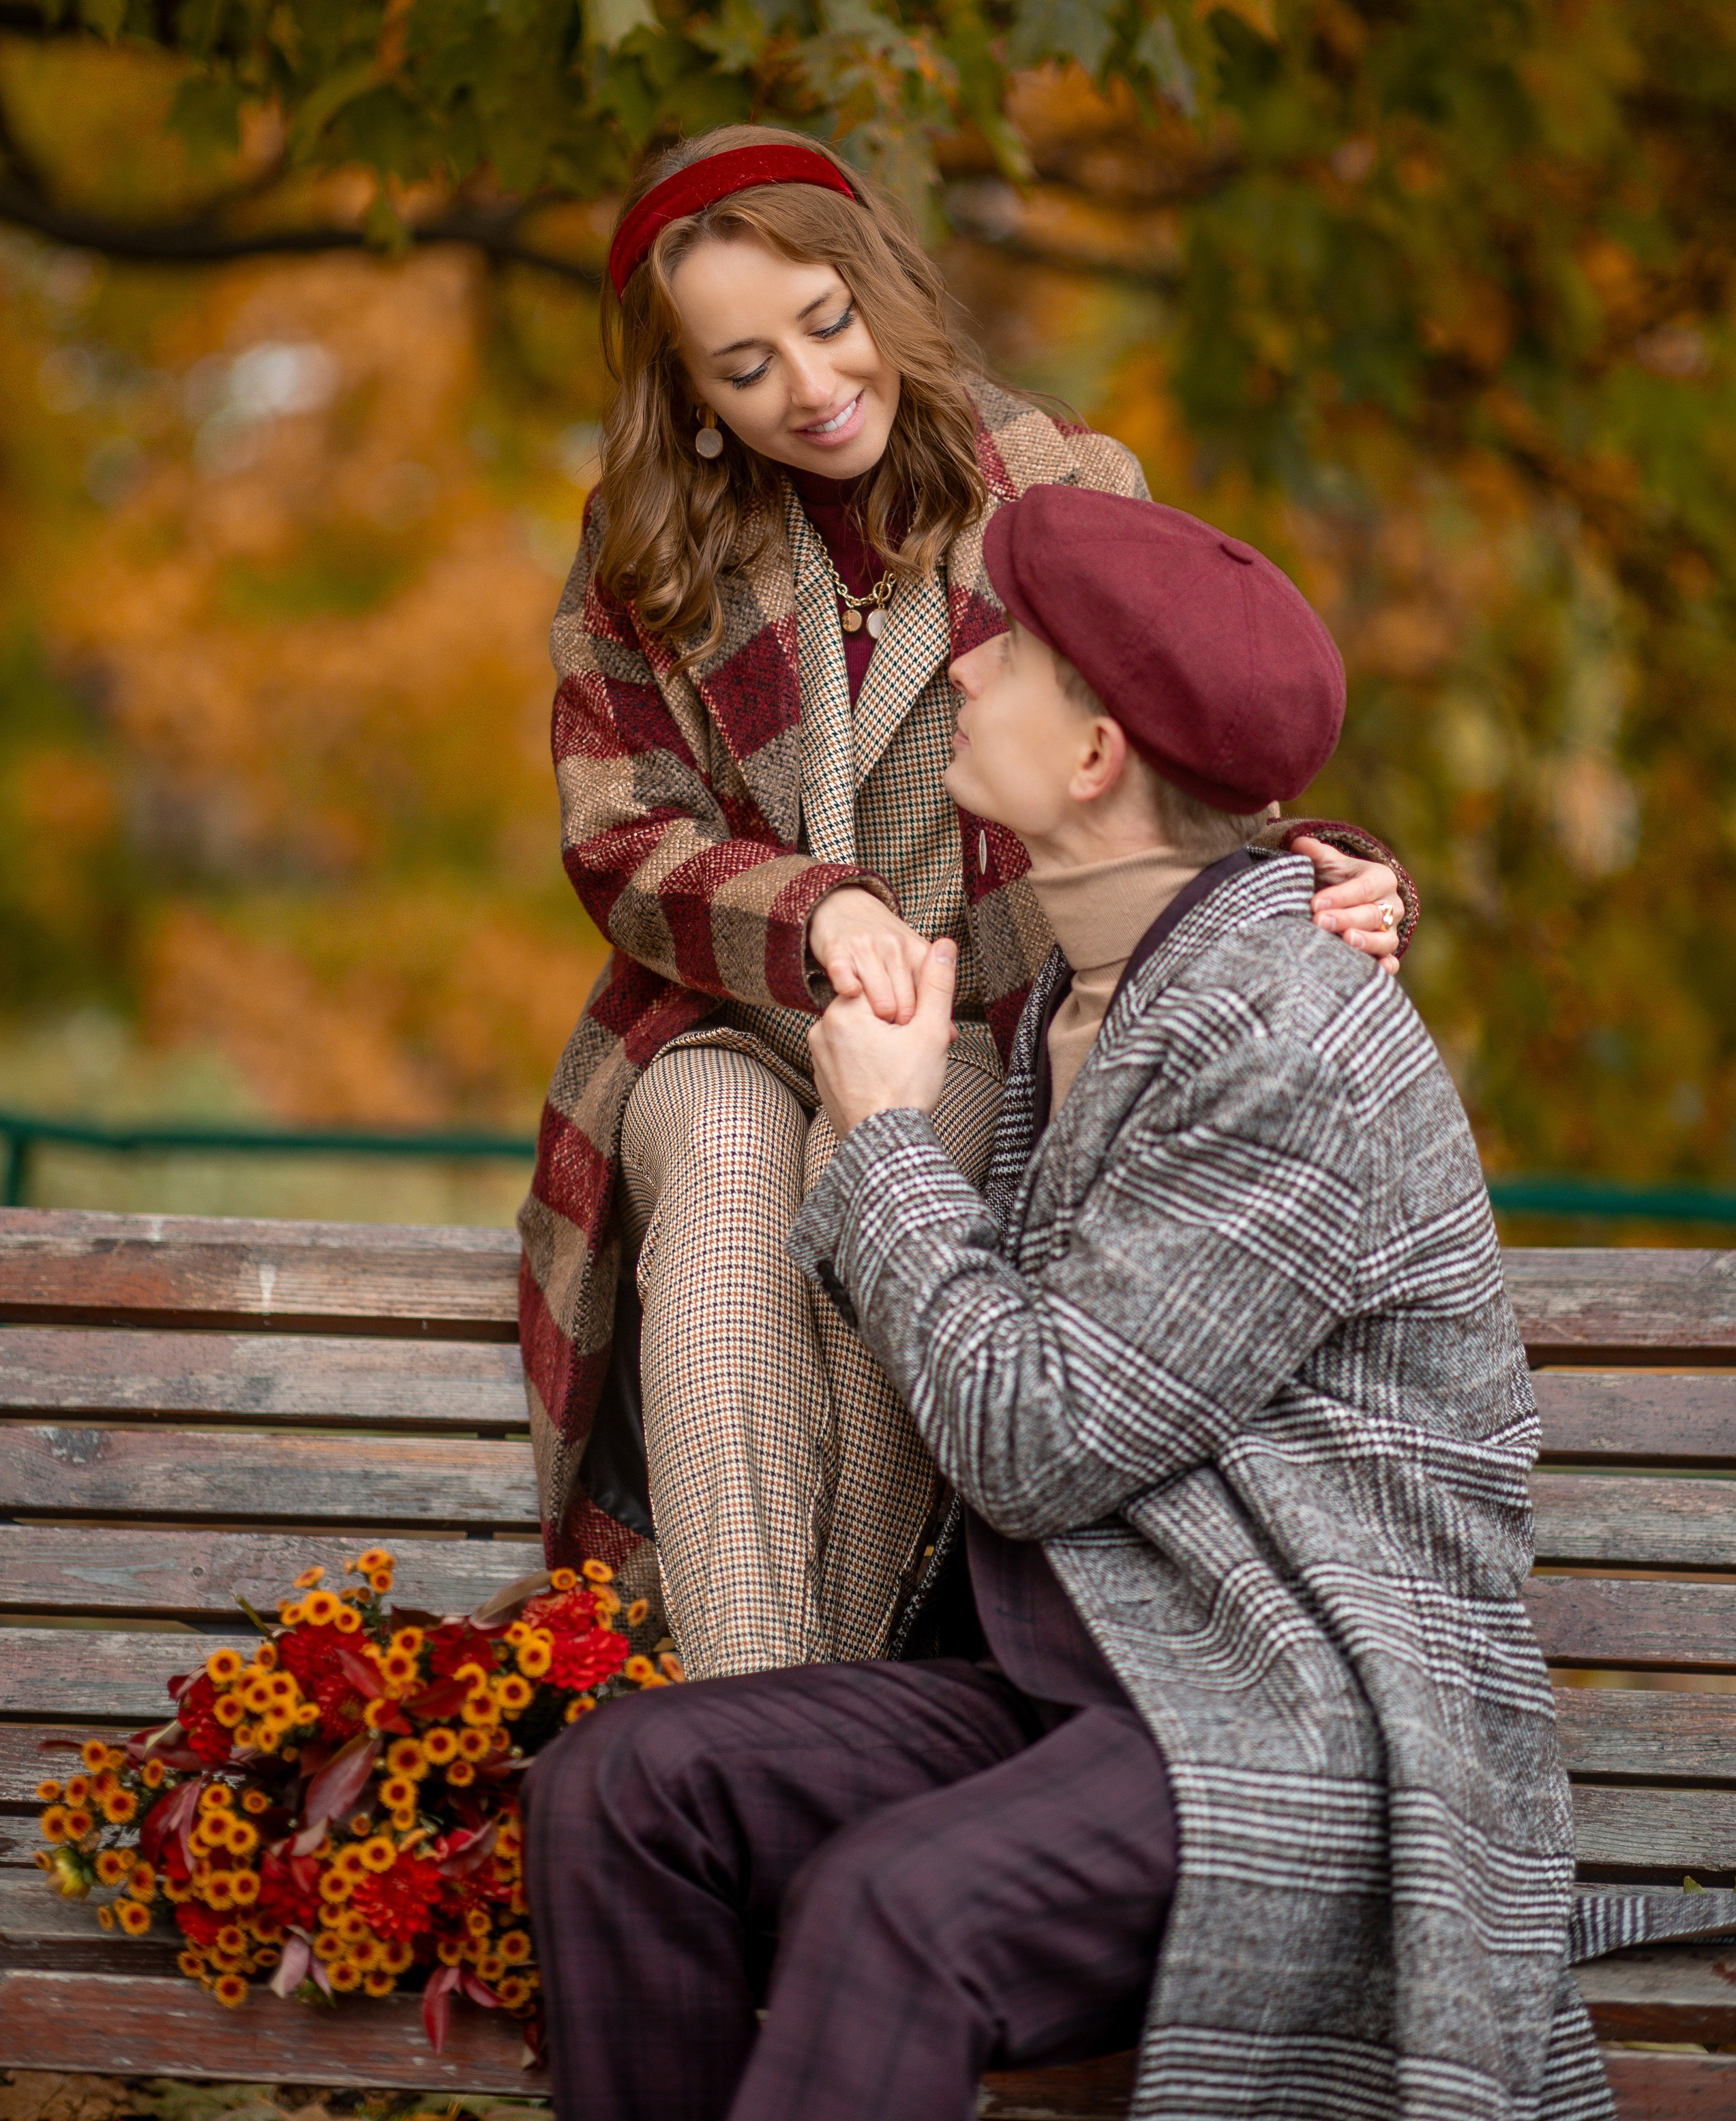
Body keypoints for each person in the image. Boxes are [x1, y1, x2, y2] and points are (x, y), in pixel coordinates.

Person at [524, 488, 1736, 2121]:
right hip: (1087, 1679)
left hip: (1296, 1710)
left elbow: (1034, 1444)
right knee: (625, 1783)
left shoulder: (1282, 1035)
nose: (962, 670)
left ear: (1093, 759)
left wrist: (884, 1138)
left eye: (1008, 650)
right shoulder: (1090, 995)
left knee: (893, 1908)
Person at [517, 123, 1416, 1680]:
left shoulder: (1061, 487)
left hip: (972, 1040)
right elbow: (620, 839)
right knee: (727, 1186)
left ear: (880, 285)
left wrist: (1322, 873)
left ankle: (774, 1735)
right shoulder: (644, 547)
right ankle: (757, 1727)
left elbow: (1159, 739)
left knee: (892, 1195)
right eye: (741, 368)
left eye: (823, 322)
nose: (805, 387)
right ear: (689, 394)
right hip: (726, 1018)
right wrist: (814, 916)